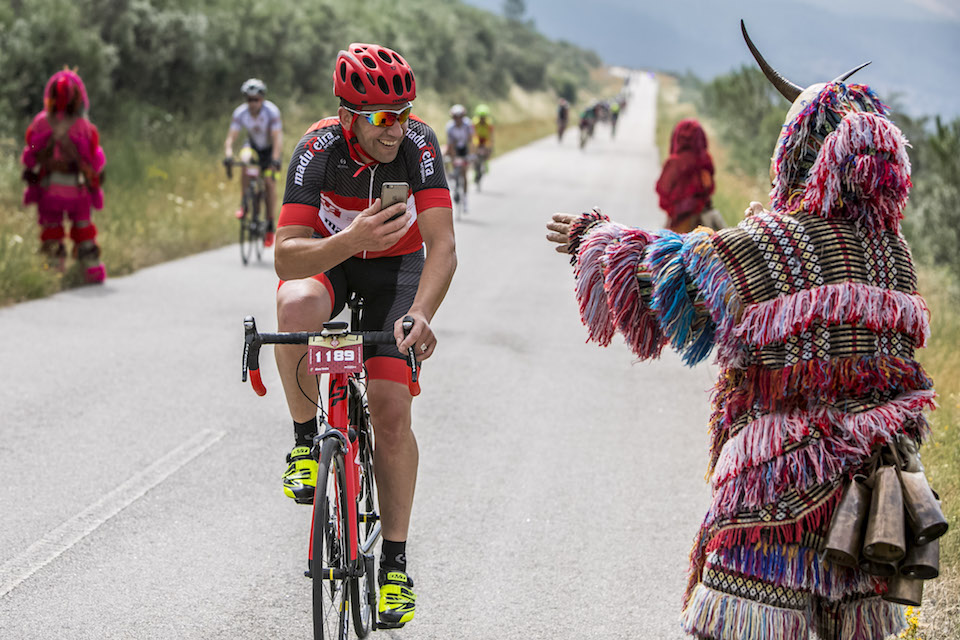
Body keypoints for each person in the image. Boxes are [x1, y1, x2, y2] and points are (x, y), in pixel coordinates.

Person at [544, 25, 945, 640]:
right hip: (875, 502)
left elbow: (670, 272)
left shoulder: (778, 244)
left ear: (801, 155)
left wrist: (592, 236)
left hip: (775, 493)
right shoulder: (896, 257)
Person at [275, 42, 456, 629]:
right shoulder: (317, 149)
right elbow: (285, 257)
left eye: (404, 113)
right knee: (296, 301)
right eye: (382, 118)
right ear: (347, 115)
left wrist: (422, 314)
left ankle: (395, 566)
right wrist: (348, 240)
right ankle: (307, 440)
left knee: (389, 408)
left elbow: (444, 248)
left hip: (398, 271)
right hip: (336, 254)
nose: (395, 129)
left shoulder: (420, 146)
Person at [21, 68, 107, 283]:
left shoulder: (40, 122)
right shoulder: (84, 127)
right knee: (83, 230)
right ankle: (91, 271)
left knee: (51, 229)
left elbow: (31, 150)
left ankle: (52, 272)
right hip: (78, 192)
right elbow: (94, 159)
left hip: (50, 189)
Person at [224, 78, 283, 247]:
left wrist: (275, 159)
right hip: (252, 147)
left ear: (262, 99)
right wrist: (228, 154)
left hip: (270, 150)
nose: (252, 103)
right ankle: (245, 204)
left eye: (256, 99)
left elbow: (277, 138)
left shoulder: (271, 112)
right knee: (244, 161)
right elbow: (230, 138)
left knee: (269, 183)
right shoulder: (240, 113)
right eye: (249, 99)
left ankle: (270, 225)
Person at [655, 118, 715, 233]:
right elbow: (709, 188)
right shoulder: (705, 161)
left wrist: (676, 207)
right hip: (701, 227)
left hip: (677, 224)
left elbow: (663, 191)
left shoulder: (674, 162)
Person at [444, 103, 473, 208]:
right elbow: (450, 145)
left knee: (464, 173)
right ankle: (450, 176)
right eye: (455, 117)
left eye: (459, 117)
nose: (457, 119)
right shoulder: (450, 127)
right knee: (443, 156)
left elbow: (470, 141)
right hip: (455, 148)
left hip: (464, 148)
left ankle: (465, 198)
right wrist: (452, 158)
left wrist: (470, 155)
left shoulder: (468, 124)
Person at [472, 103, 494, 186]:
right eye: (481, 117)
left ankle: (486, 162)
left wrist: (490, 146)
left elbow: (491, 136)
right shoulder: (474, 122)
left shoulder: (489, 124)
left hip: (485, 139)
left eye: (484, 118)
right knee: (475, 154)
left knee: (487, 149)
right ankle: (475, 172)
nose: (482, 119)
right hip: (477, 138)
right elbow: (473, 134)